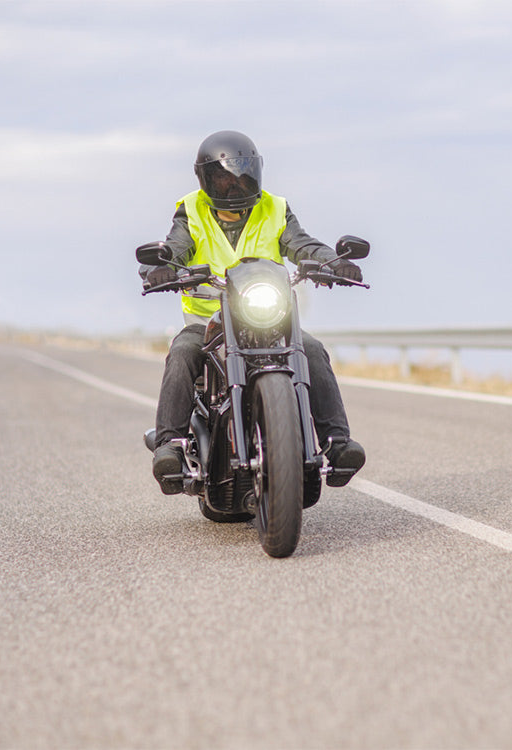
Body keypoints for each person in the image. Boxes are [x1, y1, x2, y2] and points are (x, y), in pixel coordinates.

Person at [139, 129, 365, 495]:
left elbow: (301, 244)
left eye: (242, 175)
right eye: (224, 178)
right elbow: (174, 248)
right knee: (182, 352)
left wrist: (332, 262)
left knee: (312, 349)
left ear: (256, 173)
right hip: (209, 319)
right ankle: (171, 446)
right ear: (206, 178)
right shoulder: (191, 210)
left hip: (268, 318)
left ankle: (337, 442)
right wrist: (160, 269)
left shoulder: (274, 208)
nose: (234, 185)